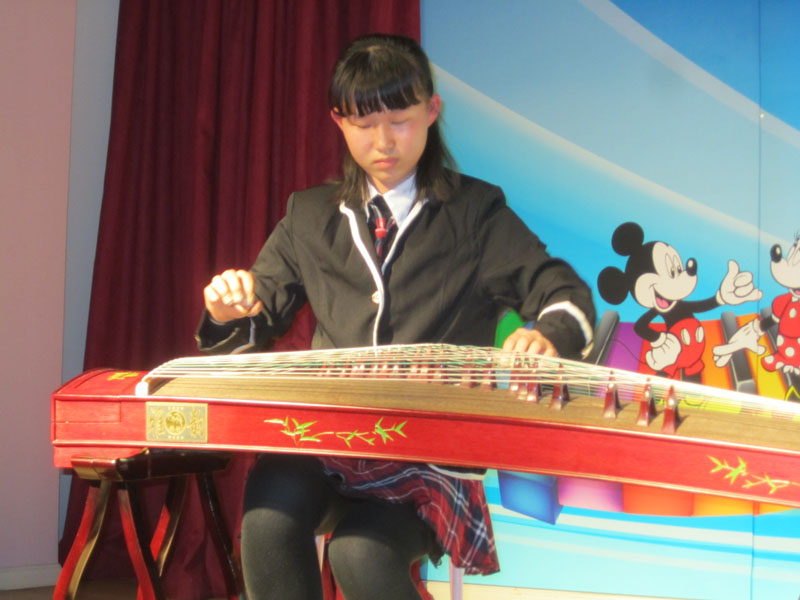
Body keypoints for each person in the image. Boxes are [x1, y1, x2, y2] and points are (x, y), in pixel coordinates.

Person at [197, 34, 595, 600]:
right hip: (328, 443)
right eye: (363, 124)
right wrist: (228, 308)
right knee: (267, 516)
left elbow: (565, 294)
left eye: (400, 120)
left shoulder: (475, 212)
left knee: (359, 553)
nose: (383, 141)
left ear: (432, 111)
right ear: (338, 122)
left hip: (428, 457)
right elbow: (261, 311)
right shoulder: (309, 215)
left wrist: (547, 336)